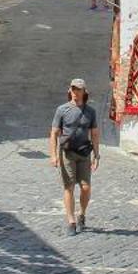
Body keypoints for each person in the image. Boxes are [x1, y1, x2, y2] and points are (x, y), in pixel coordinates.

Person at [50, 78, 100, 235]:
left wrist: (97, 155)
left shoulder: (90, 112)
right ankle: (71, 221)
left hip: (84, 153)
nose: (75, 92)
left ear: (84, 91)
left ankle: (82, 215)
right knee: (69, 187)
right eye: (73, 89)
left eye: (78, 89)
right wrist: (53, 155)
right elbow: (54, 133)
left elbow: (94, 133)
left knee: (86, 187)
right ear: (69, 91)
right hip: (67, 153)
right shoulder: (62, 110)